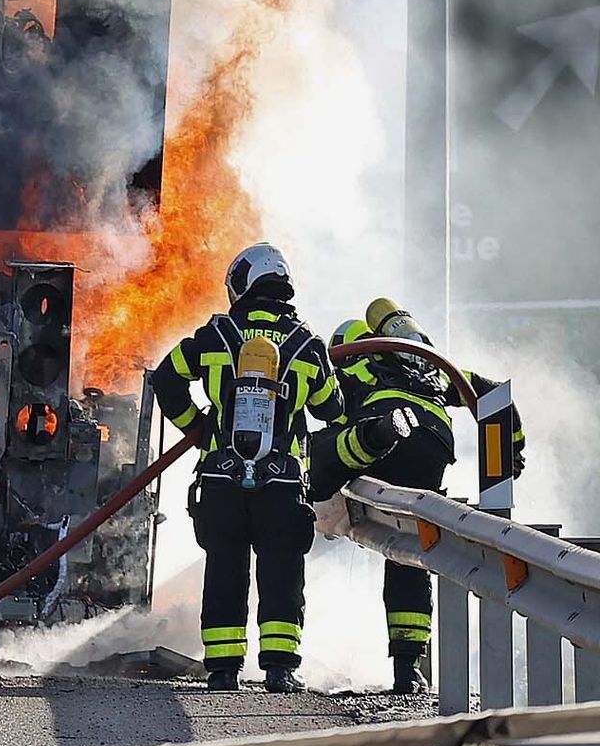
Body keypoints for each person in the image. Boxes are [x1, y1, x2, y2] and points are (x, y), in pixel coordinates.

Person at [310, 300, 526, 696]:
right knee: (409, 548)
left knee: (315, 455)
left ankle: (311, 511)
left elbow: (329, 416)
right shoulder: (428, 365)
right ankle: (408, 669)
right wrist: (511, 451)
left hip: (382, 442)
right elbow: (493, 395)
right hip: (434, 450)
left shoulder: (348, 365)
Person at [153, 243, 344, 692]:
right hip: (281, 485)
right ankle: (279, 669)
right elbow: (331, 408)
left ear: (242, 283)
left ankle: (222, 669)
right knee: (281, 572)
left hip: (221, 481)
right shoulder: (306, 343)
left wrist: (197, 427)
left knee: (225, 568)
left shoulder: (218, 334)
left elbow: (166, 378)